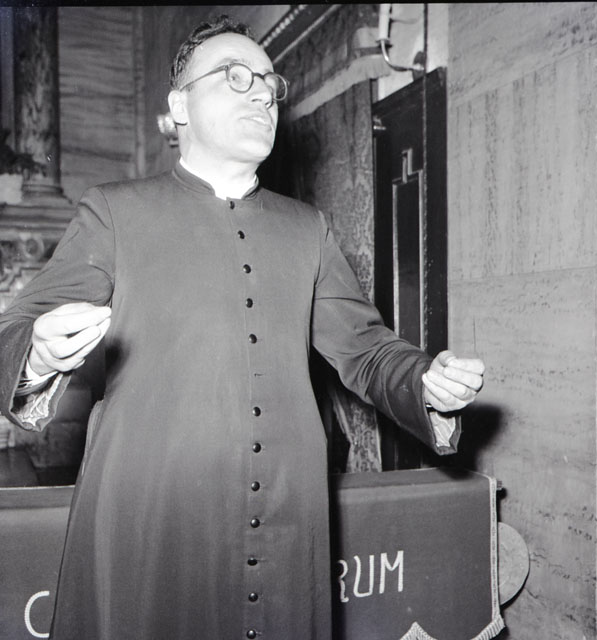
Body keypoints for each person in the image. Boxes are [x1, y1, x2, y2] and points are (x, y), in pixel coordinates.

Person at [0, 16, 485, 640]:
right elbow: (16, 328)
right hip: (152, 519)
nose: (262, 93)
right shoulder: (115, 212)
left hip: (288, 513)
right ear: (180, 106)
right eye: (235, 76)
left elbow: (366, 350)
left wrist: (425, 382)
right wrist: (37, 357)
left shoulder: (307, 228)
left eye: (268, 82)